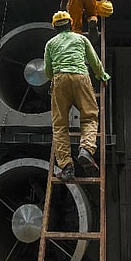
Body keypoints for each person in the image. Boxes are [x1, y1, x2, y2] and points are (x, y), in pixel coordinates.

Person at [44, 10, 111, 181]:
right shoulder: (81, 39)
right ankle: (86, 149)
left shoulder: (50, 44)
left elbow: (48, 71)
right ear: (71, 24)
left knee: (60, 125)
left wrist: (57, 81)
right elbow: (94, 60)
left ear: (55, 27)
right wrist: (102, 76)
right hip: (81, 76)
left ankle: (67, 167)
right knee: (89, 117)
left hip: (59, 79)